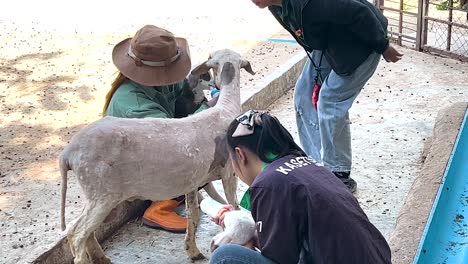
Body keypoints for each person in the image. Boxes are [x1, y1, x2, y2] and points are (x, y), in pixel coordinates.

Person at [248, 0, 403, 192]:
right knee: (303, 97)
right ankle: (320, 163)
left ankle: (339, 173)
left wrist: (383, 46)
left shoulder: (312, 3)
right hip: (332, 43)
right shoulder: (275, 6)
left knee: (330, 102)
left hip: (362, 43)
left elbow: (359, 11)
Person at [209, 110, 391, 264]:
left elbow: (280, 258)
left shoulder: (268, 184)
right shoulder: (309, 166)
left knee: (225, 256)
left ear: (240, 155)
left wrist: (240, 240)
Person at [103, 25, 217, 233]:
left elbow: (183, 95)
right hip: (137, 169)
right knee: (204, 155)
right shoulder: (134, 105)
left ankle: (177, 194)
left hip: (155, 146)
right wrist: (210, 109)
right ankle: (160, 206)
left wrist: (201, 83)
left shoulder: (161, 83)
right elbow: (174, 139)